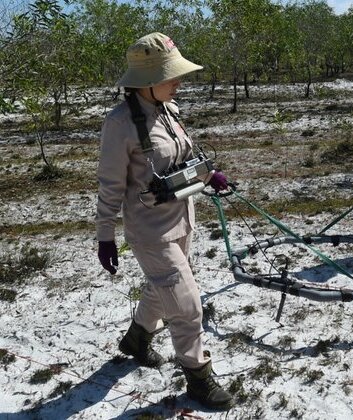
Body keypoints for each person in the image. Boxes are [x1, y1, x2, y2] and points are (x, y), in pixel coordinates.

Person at [95, 32, 233, 410]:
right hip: (149, 231)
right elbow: (109, 185)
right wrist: (105, 235)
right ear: (147, 81)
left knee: (163, 287)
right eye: (171, 76)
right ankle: (199, 379)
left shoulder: (168, 110)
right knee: (186, 305)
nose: (179, 82)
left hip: (182, 220)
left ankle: (136, 339)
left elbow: (180, 160)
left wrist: (209, 175)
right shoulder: (120, 124)